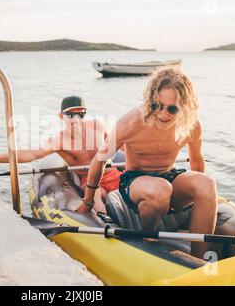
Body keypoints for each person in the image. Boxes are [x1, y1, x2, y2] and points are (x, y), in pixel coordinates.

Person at [76, 68, 218, 259]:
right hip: (134, 182)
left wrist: (205, 198)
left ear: (185, 107)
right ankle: (148, 238)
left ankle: (199, 260)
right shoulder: (133, 122)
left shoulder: (191, 125)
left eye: (172, 108)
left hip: (169, 176)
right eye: (156, 105)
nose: (162, 113)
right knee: (161, 189)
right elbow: (100, 159)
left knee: (207, 184)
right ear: (149, 100)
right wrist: (88, 201)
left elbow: (197, 161)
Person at [0, 95, 122, 213]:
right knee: (94, 197)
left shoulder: (98, 126)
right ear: (61, 116)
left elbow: (118, 147)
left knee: (133, 188)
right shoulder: (58, 140)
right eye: (71, 115)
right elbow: (32, 154)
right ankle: (111, 228)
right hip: (91, 183)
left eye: (81, 115)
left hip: (113, 175)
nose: (76, 120)